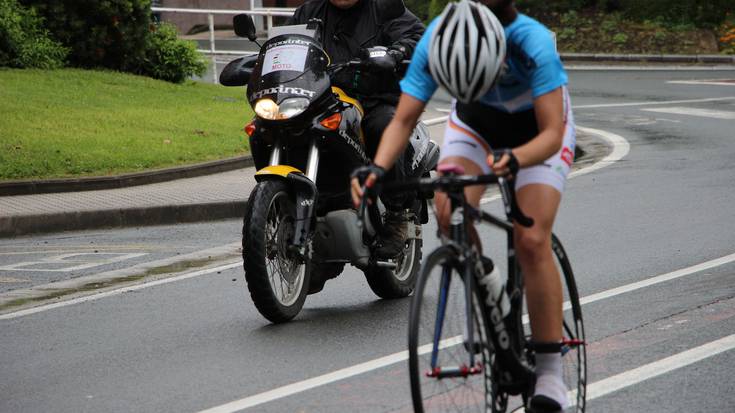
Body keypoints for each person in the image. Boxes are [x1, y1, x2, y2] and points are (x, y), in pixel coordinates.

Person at [351, 0, 576, 411]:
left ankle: (549, 373)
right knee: (447, 209)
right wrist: (377, 169)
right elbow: (402, 120)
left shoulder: (533, 43)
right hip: (475, 124)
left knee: (530, 239)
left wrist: (517, 160)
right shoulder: (437, 39)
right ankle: (487, 284)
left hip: (536, 131)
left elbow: (553, 134)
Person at [288, 0, 425, 258]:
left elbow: (417, 36)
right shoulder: (308, 12)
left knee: (384, 128)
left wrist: (395, 53)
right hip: (322, 100)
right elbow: (287, 46)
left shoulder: (384, 7)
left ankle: (397, 216)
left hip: (374, 99)